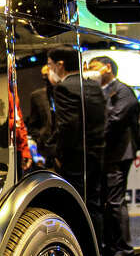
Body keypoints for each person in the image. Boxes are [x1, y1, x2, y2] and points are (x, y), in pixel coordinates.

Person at [45, 47, 106, 244]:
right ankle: (96, 252)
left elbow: (68, 126)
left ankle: (79, 251)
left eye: (49, 64)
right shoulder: (93, 86)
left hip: (75, 157)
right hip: (97, 153)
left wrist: (57, 153)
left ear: (60, 64)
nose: (49, 69)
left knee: (74, 206)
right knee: (94, 205)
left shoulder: (64, 88)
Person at [89, 56, 139, 256]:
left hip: (119, 155)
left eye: (93, 67)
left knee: (115, 202)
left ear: (107, 67)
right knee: (106, 202)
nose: (90, 72)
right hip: (105, 154)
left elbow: (114, 119)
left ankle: (123, 248)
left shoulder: (123, 91)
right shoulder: (102, 92)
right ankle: (110, 246)